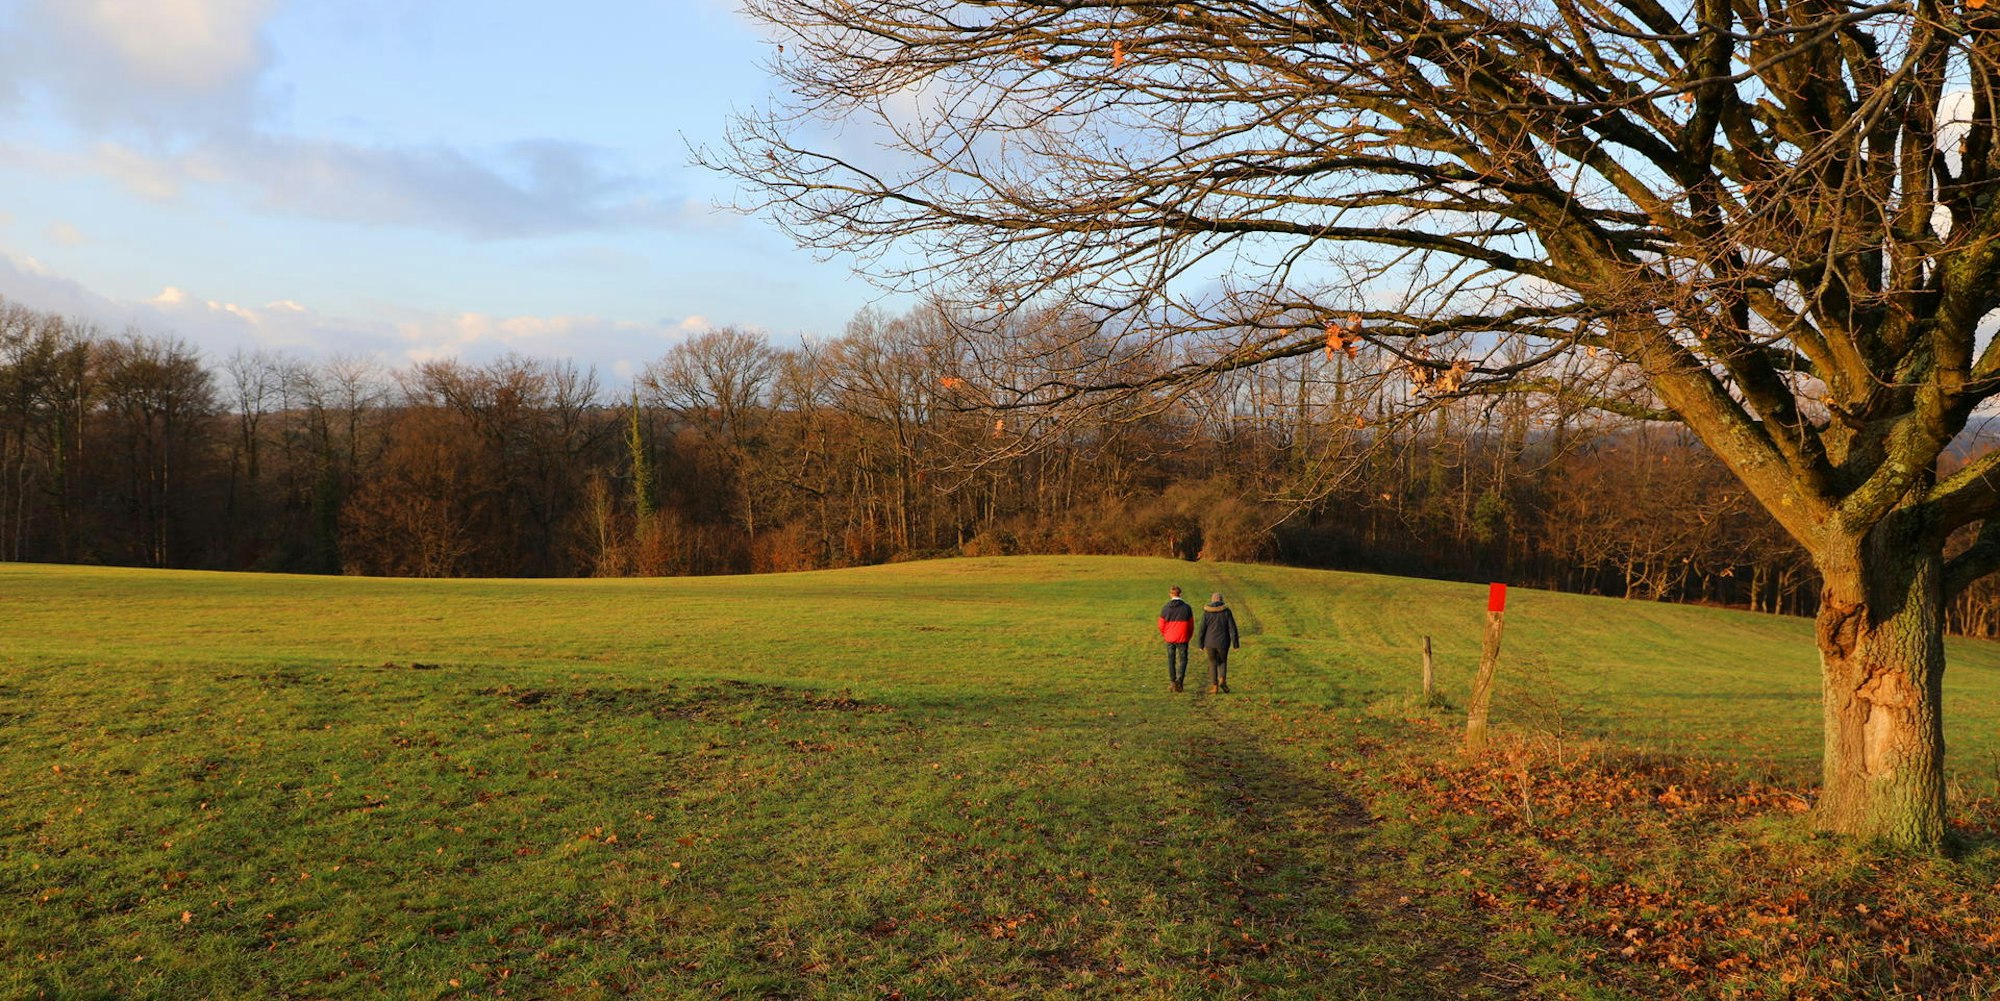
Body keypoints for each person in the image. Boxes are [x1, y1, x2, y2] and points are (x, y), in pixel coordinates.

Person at [1198, 592, 1241, 693]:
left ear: (1212, 600)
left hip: (1210, 643)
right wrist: (1235, 644)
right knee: (1223, 662)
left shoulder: (1207, 612)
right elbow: (1232, 628)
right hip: (1223, 642)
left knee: (1212, 663)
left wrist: (1201, 644)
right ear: (1222, 600)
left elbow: (1202, 629)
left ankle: (1214, 687)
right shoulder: (1226, 612)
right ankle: (1222, 679)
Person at [1158, 585, 1194, 692]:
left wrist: (1165, 634)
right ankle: (1180, 681)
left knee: (1171, 660)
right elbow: (1191, 625)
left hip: (1170, 638)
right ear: (1180, 594)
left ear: (1170, 594)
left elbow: (1161, 624)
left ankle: (1173, 681)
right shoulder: (1187, 608)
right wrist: (1188, 636)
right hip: (1183, 637)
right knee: (1183, 659)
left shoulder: (1165, 608)